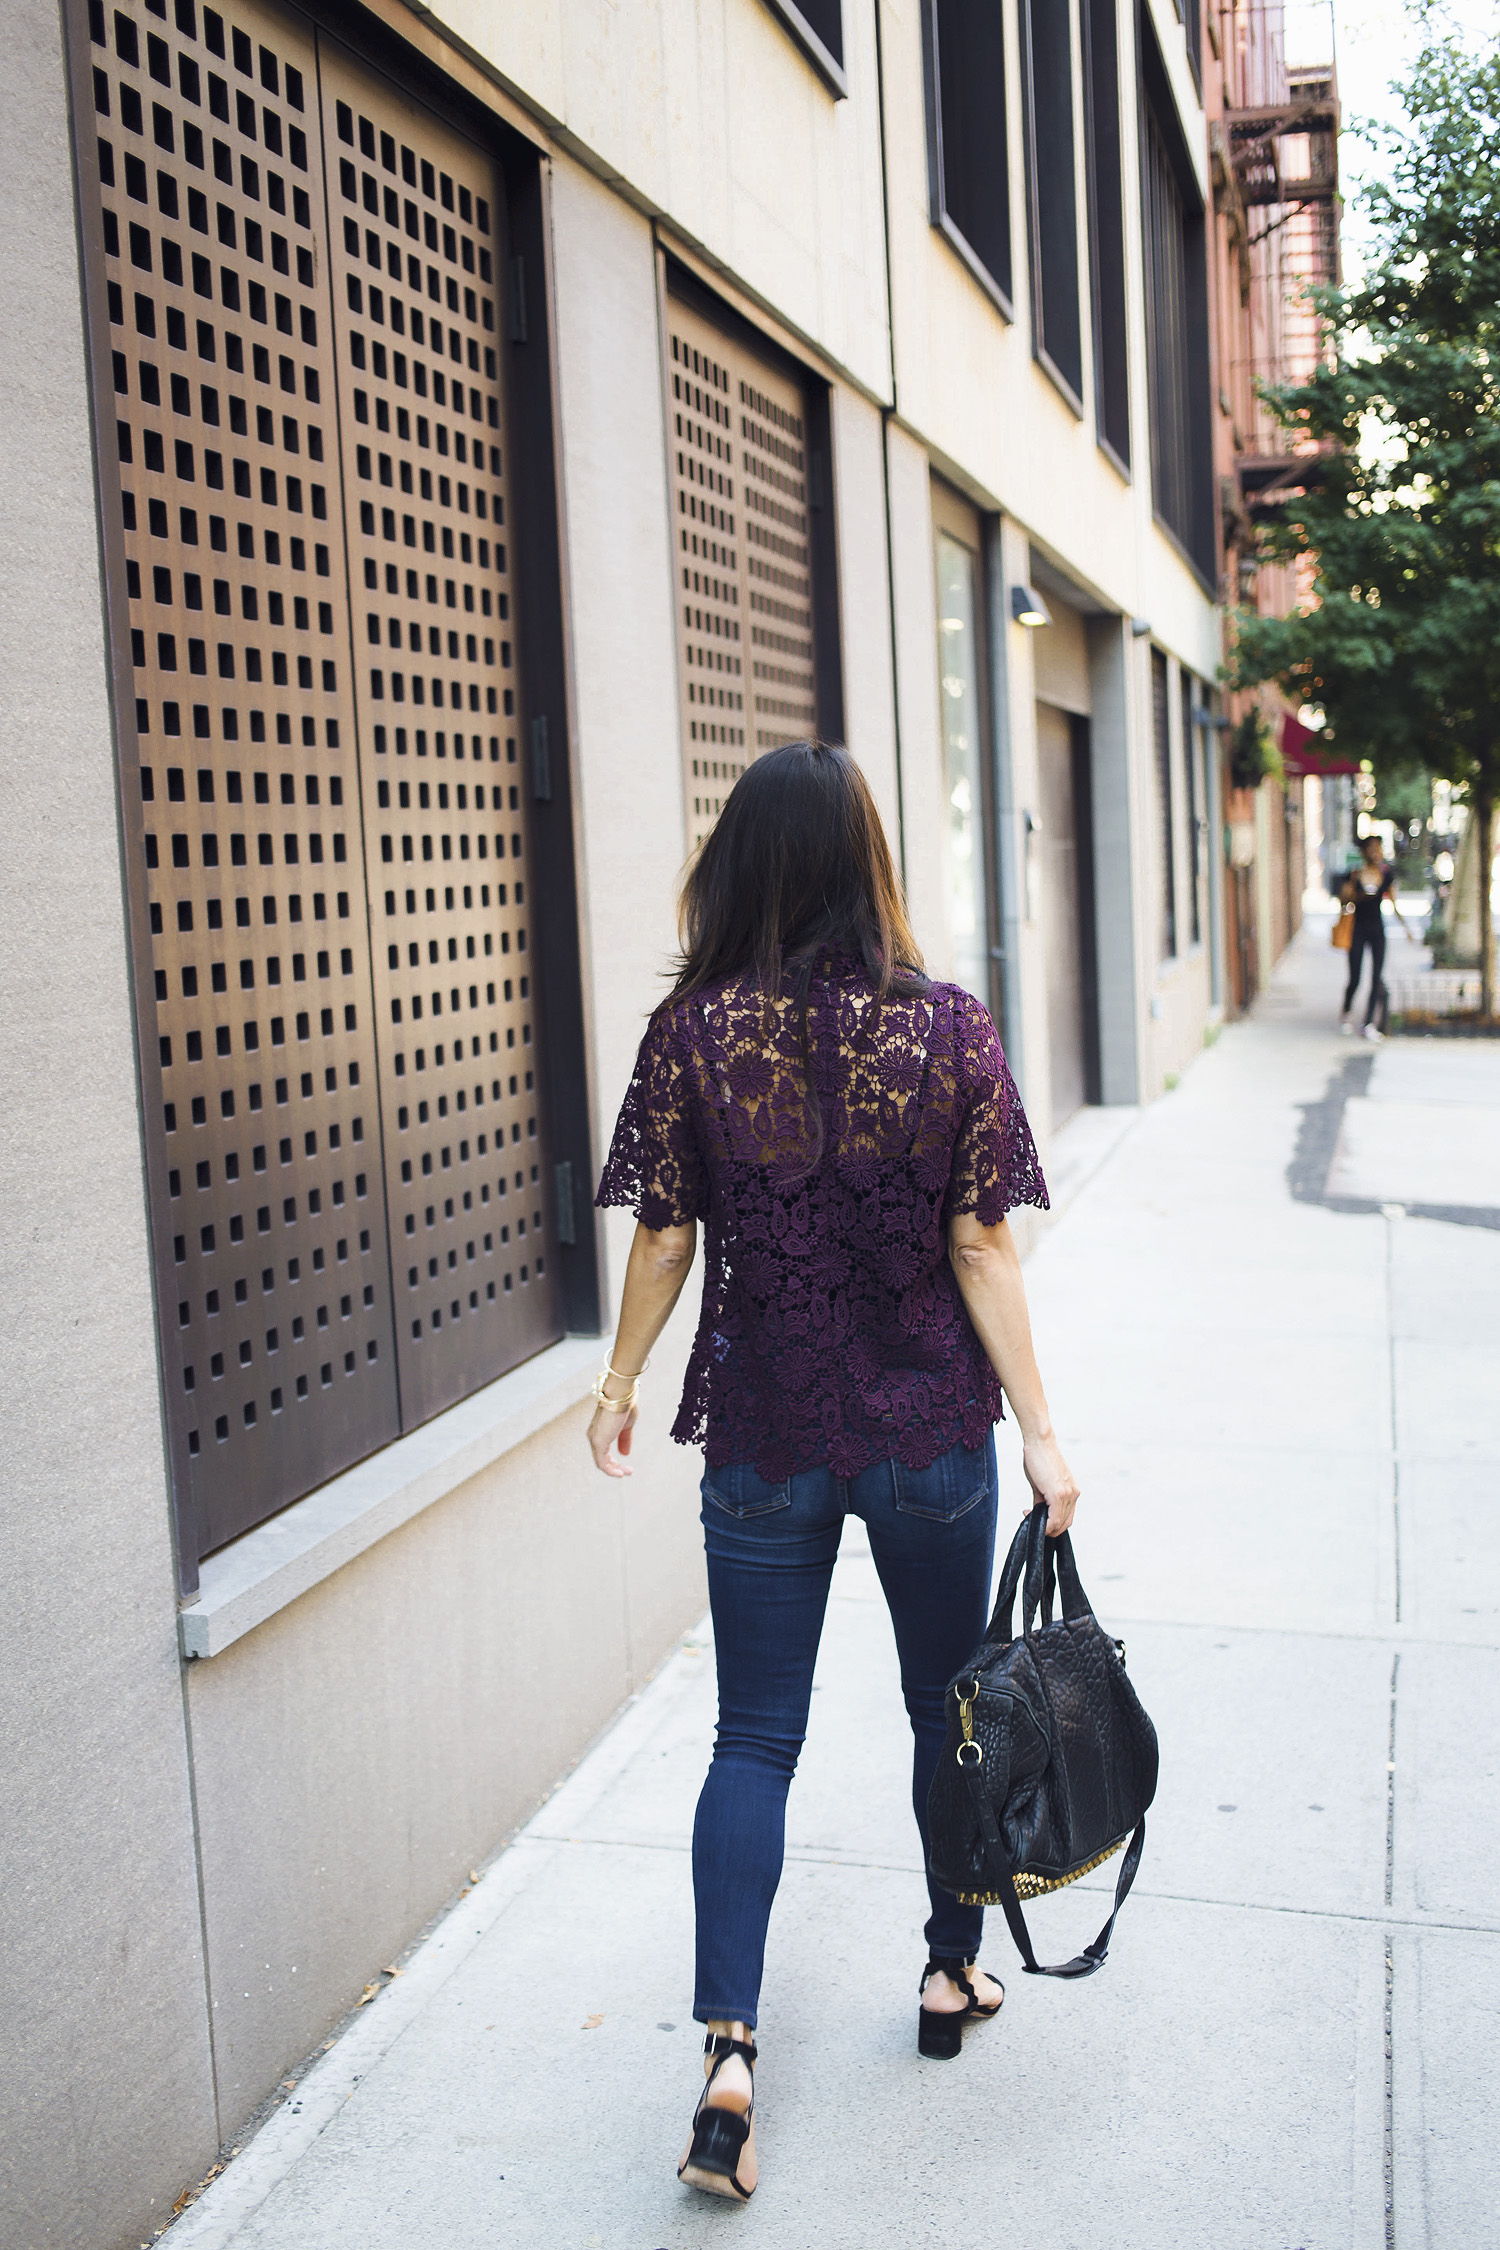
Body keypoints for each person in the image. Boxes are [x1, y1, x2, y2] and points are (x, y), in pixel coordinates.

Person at [586, 741, 1079, 2201]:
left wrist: (617, 1381)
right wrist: (1043, 1429)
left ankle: (729, 2057)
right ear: (870, 860)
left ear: (740, 863)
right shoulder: (953, 1032)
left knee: (753, 1736)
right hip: (929, 1428)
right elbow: (981, 1243)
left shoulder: (693, 1034)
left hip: (762, 1430)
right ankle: (947, 1974)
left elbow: (668, 1236)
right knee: (952, 1703)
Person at [1339, 833, 1415, 1040]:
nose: (1375, 852)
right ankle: (1346, 1011)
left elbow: (1393, 902)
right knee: (1355, 977)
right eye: (1371, 848)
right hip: (1357, 929)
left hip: (1377, 930)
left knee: (1376, 978)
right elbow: (1344, 902)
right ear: (1364, 852)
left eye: (1378, 848)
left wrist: (1406, 928)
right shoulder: (1354, 874)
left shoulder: (1386, 874)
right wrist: (1357, 894)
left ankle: (1369, 1023)